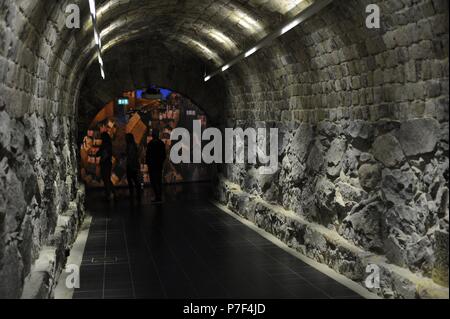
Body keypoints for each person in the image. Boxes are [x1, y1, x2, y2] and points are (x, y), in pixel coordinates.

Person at [146, 129, 166, 203]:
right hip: (158, 165)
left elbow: (147, 155)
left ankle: (157, 196)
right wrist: (160, 162)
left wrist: (148, 163)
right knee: (158, 180)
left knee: (153, 181)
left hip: (152, 165)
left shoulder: (150, 144)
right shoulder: (161, 143)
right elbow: (164, 155)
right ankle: (159, 195)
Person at [99, 132, 115, 201]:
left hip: (105, 163)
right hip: (107, 163)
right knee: (107, 178)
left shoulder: (105, 145)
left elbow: (104, 154)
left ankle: (109, 193)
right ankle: (111, 192)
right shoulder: (108, 145)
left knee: (106, 178)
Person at [126, 133, 141, 201]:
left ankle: (134, 193)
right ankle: (137, 193)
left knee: (132, 179)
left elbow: (131, 156)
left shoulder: (130, 146)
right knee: (134, 179)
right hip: (133, 165)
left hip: (131, 165)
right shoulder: (133, 145)